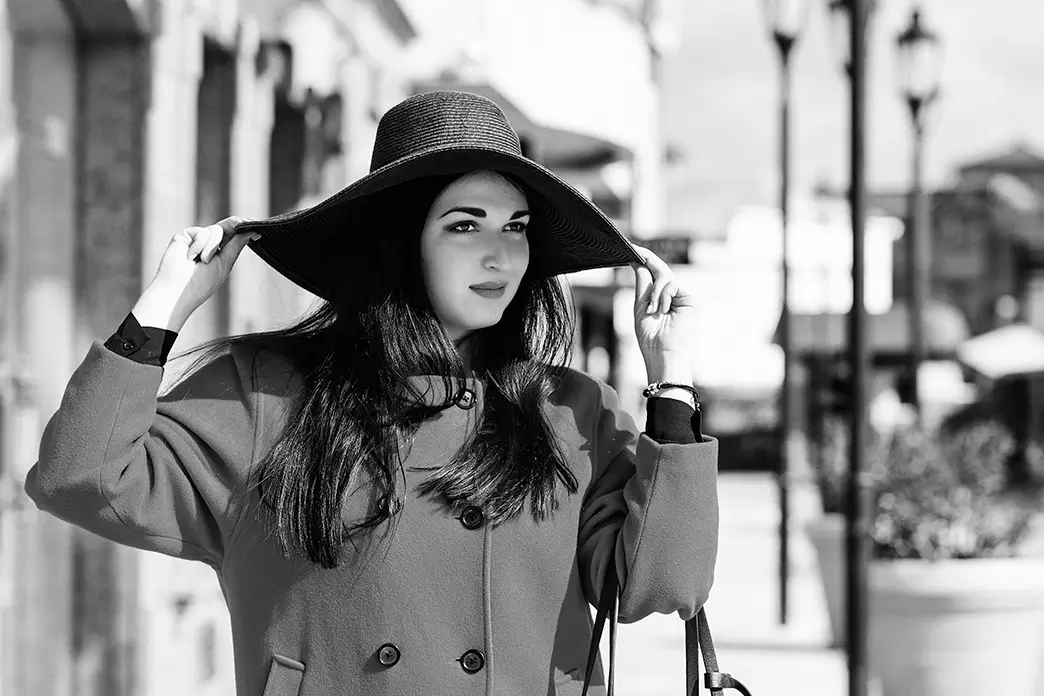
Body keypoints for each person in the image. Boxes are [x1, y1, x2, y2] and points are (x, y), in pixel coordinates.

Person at [25, 90, 718, 696]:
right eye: (464, 224)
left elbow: (666, 584)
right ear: (399, 241)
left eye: (517, 227)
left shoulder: (569, 413)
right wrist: (164, 306)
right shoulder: (268, 397)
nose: (500, 254)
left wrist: (673, 382)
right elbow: (78, 477)